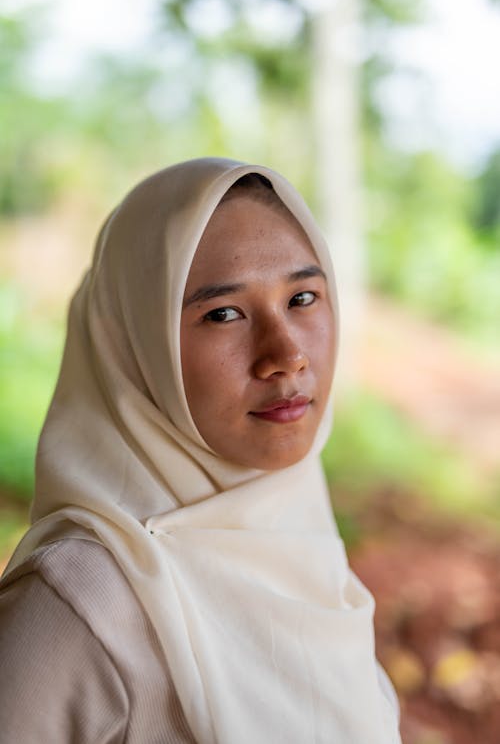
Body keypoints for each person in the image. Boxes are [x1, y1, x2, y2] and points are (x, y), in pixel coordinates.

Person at [0, 158, 401, 743]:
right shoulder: (83, 603)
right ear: (135, 346)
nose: (286, 354)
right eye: (224, 313)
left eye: (303, 298)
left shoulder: (300, 544)